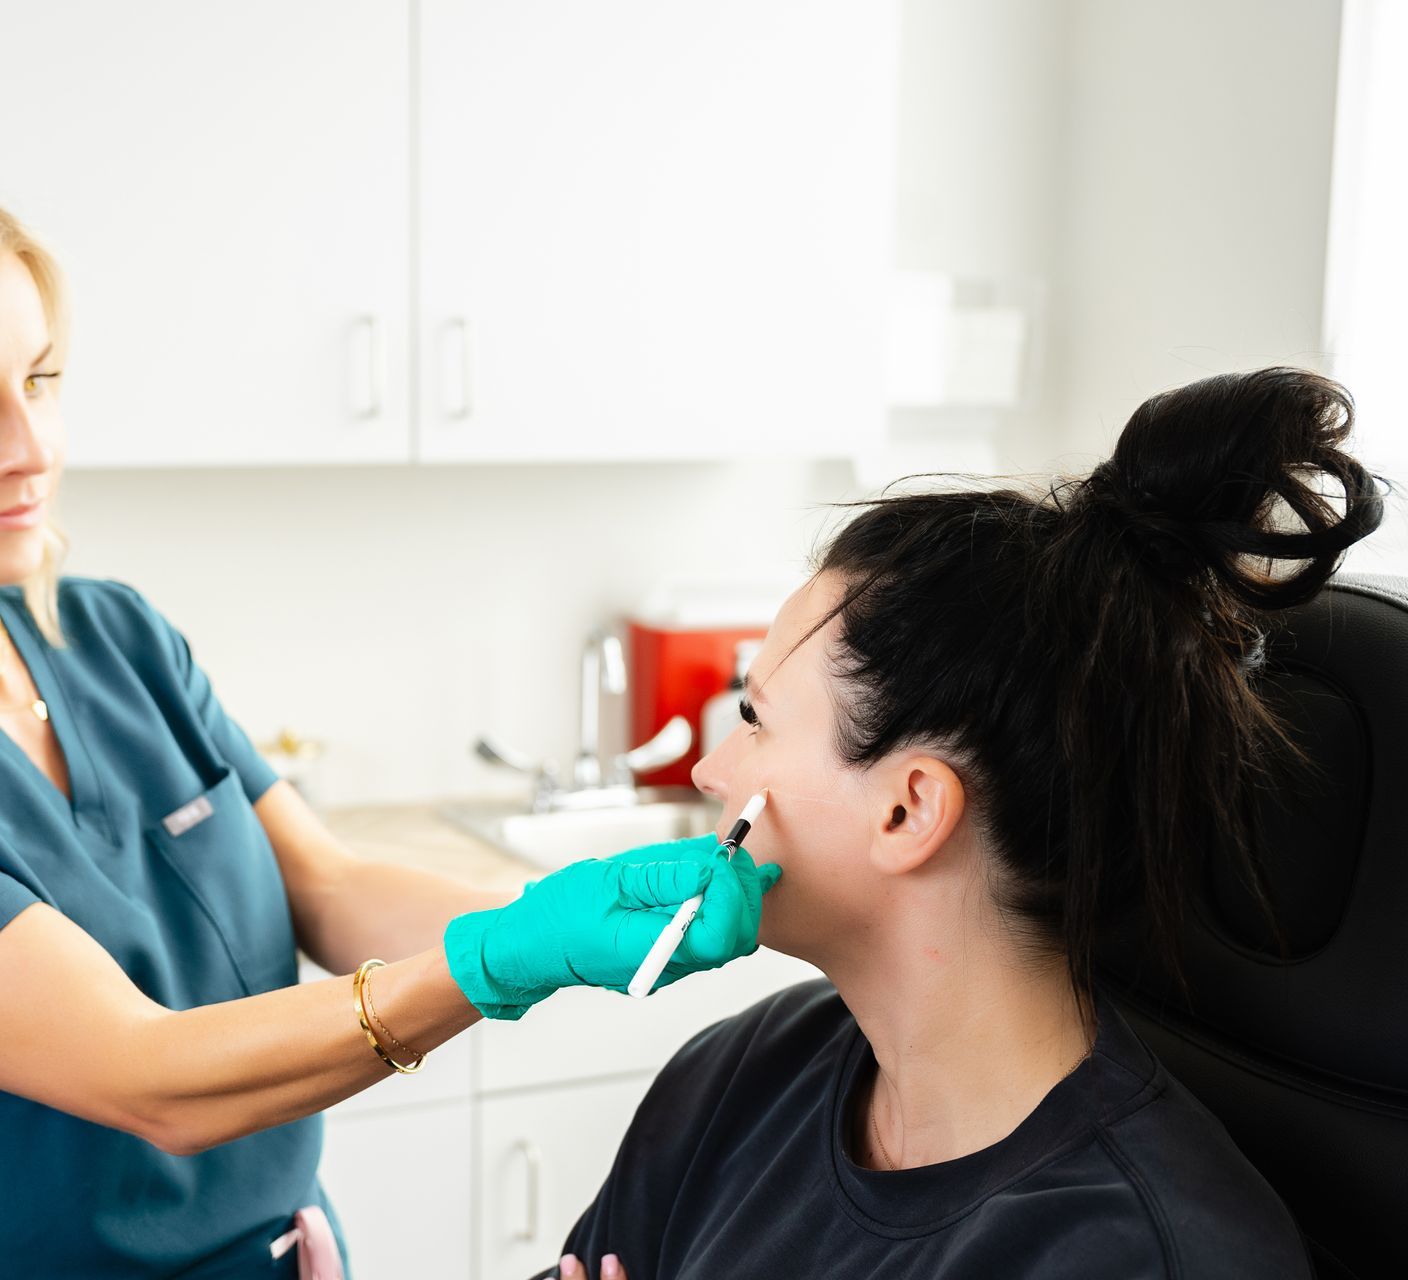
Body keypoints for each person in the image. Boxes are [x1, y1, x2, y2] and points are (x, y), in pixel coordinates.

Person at [0, 149, 779, 1280]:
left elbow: (330, 888)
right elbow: (149, 1074)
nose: (31, 446)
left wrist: (573, 908)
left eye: (40, 380)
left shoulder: (108, 637)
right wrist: (505, 955)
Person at [540, 366, 1381, 1279]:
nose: (709, 770)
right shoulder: (746, 1073)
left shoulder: (1143, 1258)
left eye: (753, 720)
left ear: (908, 810)